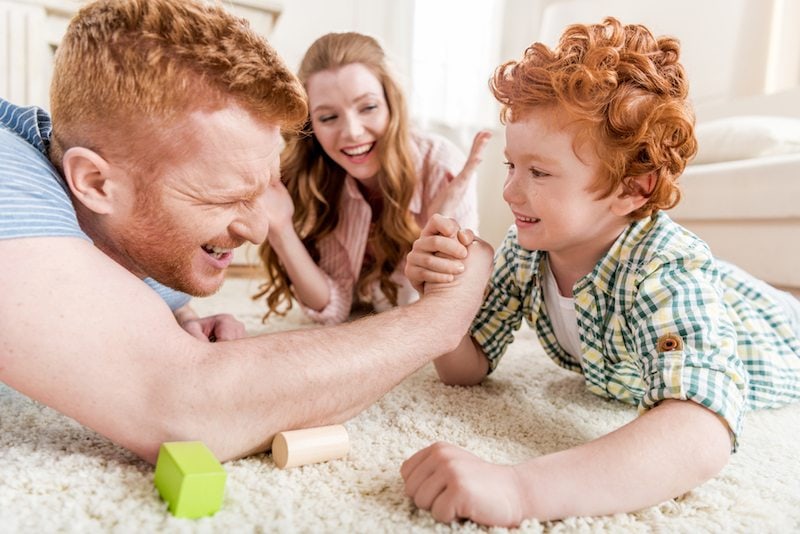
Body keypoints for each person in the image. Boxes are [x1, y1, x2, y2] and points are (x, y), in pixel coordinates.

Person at [0, 0, 493, 465]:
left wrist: (174, 313)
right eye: (226, 197)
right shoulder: (8, 180)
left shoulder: (87, 182)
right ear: (95, 182)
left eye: (262, 191)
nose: (260, 230)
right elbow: (185, 407)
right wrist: (440, 319)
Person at [399, 17, 800, 526]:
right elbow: (467, 369)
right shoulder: (527, 251)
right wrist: (445, 299)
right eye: (511, 166)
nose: (510, 192)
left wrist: (519, 489)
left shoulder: (667, 268)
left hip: (775, 326)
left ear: (633, 189)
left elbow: (700, 433)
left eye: (539, 172)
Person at [255, 32, 491, 325]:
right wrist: (280, 229)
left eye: (368, 107)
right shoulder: (317, 174)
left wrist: (429, 231)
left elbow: (447, 312)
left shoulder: (441, 165)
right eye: (329, 118)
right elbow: (332, 307)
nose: (353, 132)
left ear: (391, 104)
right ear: (311, 124)